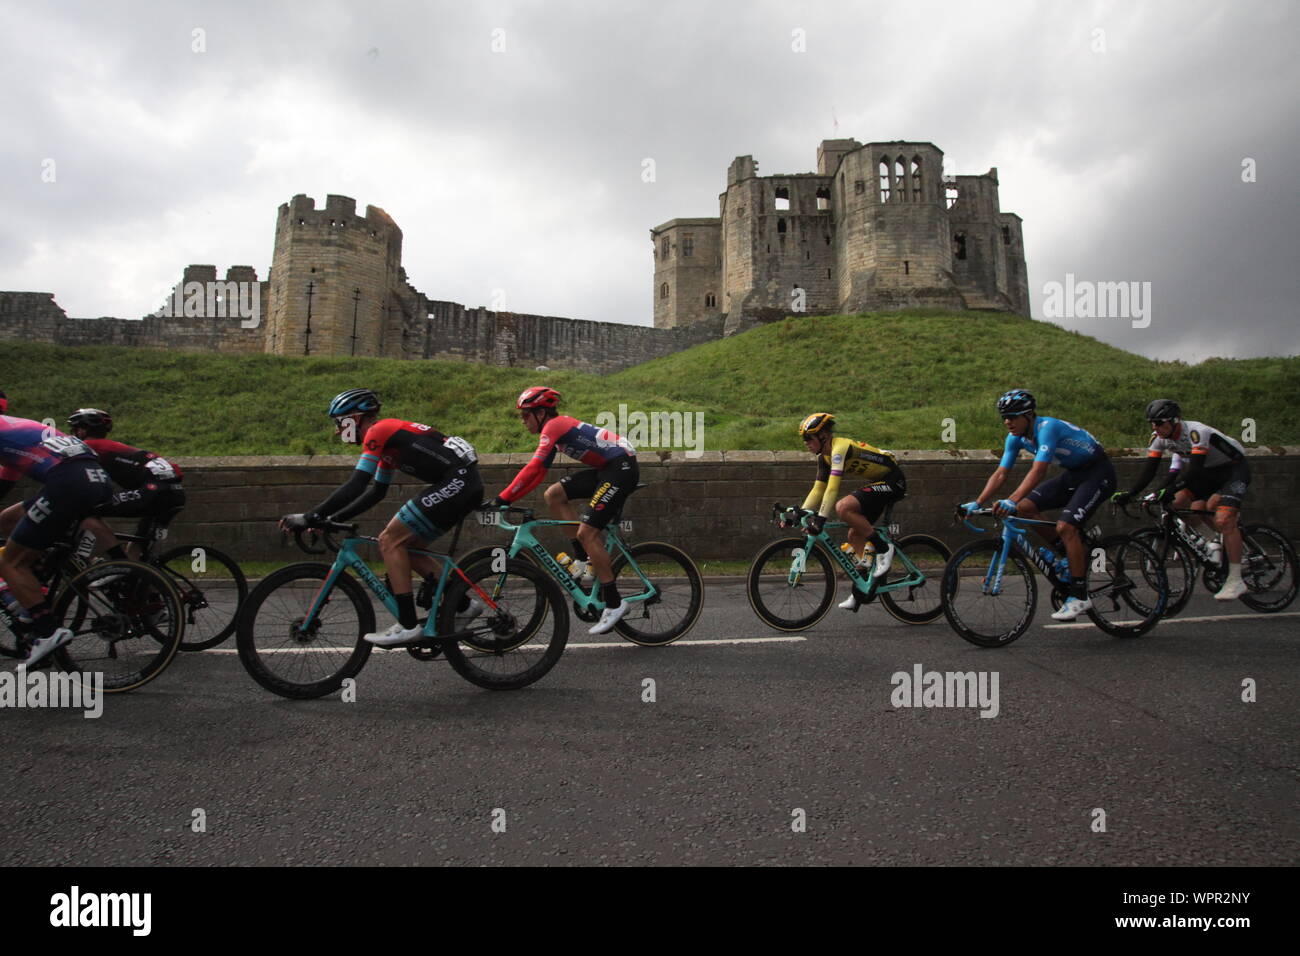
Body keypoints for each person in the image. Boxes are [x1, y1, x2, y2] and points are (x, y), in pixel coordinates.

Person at [279, 388, 483, 646]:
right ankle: (464, 606)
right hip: (461, 483)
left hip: (458, 482)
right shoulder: (389, 443)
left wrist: (310, 517)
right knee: (409, 548)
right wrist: (330, 519)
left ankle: (408, 625)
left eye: (339, 424)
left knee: (390, 540)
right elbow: (376, 491)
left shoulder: (379, 431)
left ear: (355, 418)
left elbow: (356, 483)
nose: (337, 431)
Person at [485, 386, 638, 635]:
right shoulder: (553, 429)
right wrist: (509, 497)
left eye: (526, 415)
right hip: (608, 467)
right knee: (553, 495)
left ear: (542, 412)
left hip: (621, 468)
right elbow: (538, 475)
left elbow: (533, 469)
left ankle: (614, 603)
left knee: (587, 533)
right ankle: (582, 559)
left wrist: (503, 498)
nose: (523, 421)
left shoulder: (553, 426)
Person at [961, 390, 1115, 622]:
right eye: (1004, 417)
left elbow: (1039, 470)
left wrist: (1010, 500)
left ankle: (1079, 595)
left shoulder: (1047, 428)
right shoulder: (1015, 438)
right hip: (1074, 475)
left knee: (1066, 527)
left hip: (1098, 473)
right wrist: (978, 502)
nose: (1007, 422)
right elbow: (1001, 472)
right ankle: (1068, 556)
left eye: (1013, 416)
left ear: (1029, 415)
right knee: (1024, 509)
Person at [0, 413, 113, 664]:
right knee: (7, 519)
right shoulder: (12, 427)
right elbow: (4, 483)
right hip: (95, 479)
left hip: (68, 483)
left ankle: (47, 631)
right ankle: (35, 579)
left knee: (10, 562)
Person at [1110, 398, 1251, 600]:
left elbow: (1193, 472)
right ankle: (1211, 542)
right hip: (1209, 473)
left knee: (1222, 518)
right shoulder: (1158, 438)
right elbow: (1149, 471)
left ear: (1175, 420)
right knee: (1175, 503)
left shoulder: (1197, 432)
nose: (1155, 427)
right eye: (1152, 422)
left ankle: (1236, 580)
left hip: (1234, 470)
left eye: (1159, 422)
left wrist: (1168, 489)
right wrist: (1130, 494)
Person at [790, 412, 906, 610]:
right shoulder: (824, 458)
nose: (805, 443)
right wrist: (802, 513)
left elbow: (832, 488)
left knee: (843, 507)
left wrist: (820, 519)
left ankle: (885, 549)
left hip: (893, 480)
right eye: (804, 439)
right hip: (878, 483)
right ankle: (861, 591)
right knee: (854, 535)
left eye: (808, 438)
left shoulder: (839, 448)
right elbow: (818, 489)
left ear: (823, 436)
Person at [63, 408, 186, 561]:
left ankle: (119, 563)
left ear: (81, 430)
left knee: (87, 514)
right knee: (137, 551)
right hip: (173, 493)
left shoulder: (88, 447)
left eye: (73, 430)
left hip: (154, 491)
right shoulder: (110, 446)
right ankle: (133, 574)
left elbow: (75, 477)